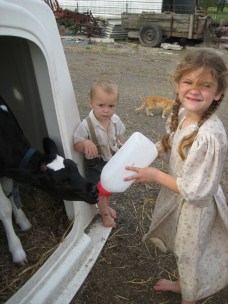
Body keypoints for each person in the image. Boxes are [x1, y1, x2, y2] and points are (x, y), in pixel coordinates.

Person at [124, 49, 228, 304]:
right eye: (189, 82)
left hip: (197, 207)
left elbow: (196, 191)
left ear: (218, 93)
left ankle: (188, 298)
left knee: (189, 255)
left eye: (205, 85)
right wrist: (148, 152)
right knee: (182, 249)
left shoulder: (209, 136)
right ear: (178, 84)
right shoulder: (182, 115)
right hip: (180, 198)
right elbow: (171, 143)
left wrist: (156, 175)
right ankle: (182, 284)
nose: (195, 90)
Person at [73, 79, 125, 228]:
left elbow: (120, 135)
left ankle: (105, 207)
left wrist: (123, 144)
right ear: (91, 103)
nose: (106, 110)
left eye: (111, 106)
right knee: (101, 191)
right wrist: (85, 143)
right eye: (101, 105)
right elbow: (76, 145)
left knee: (109, 187)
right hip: (95, 164)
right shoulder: (86, 125)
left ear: (116, 103)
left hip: (111, 160)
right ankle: (104, 214)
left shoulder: (115, 120)